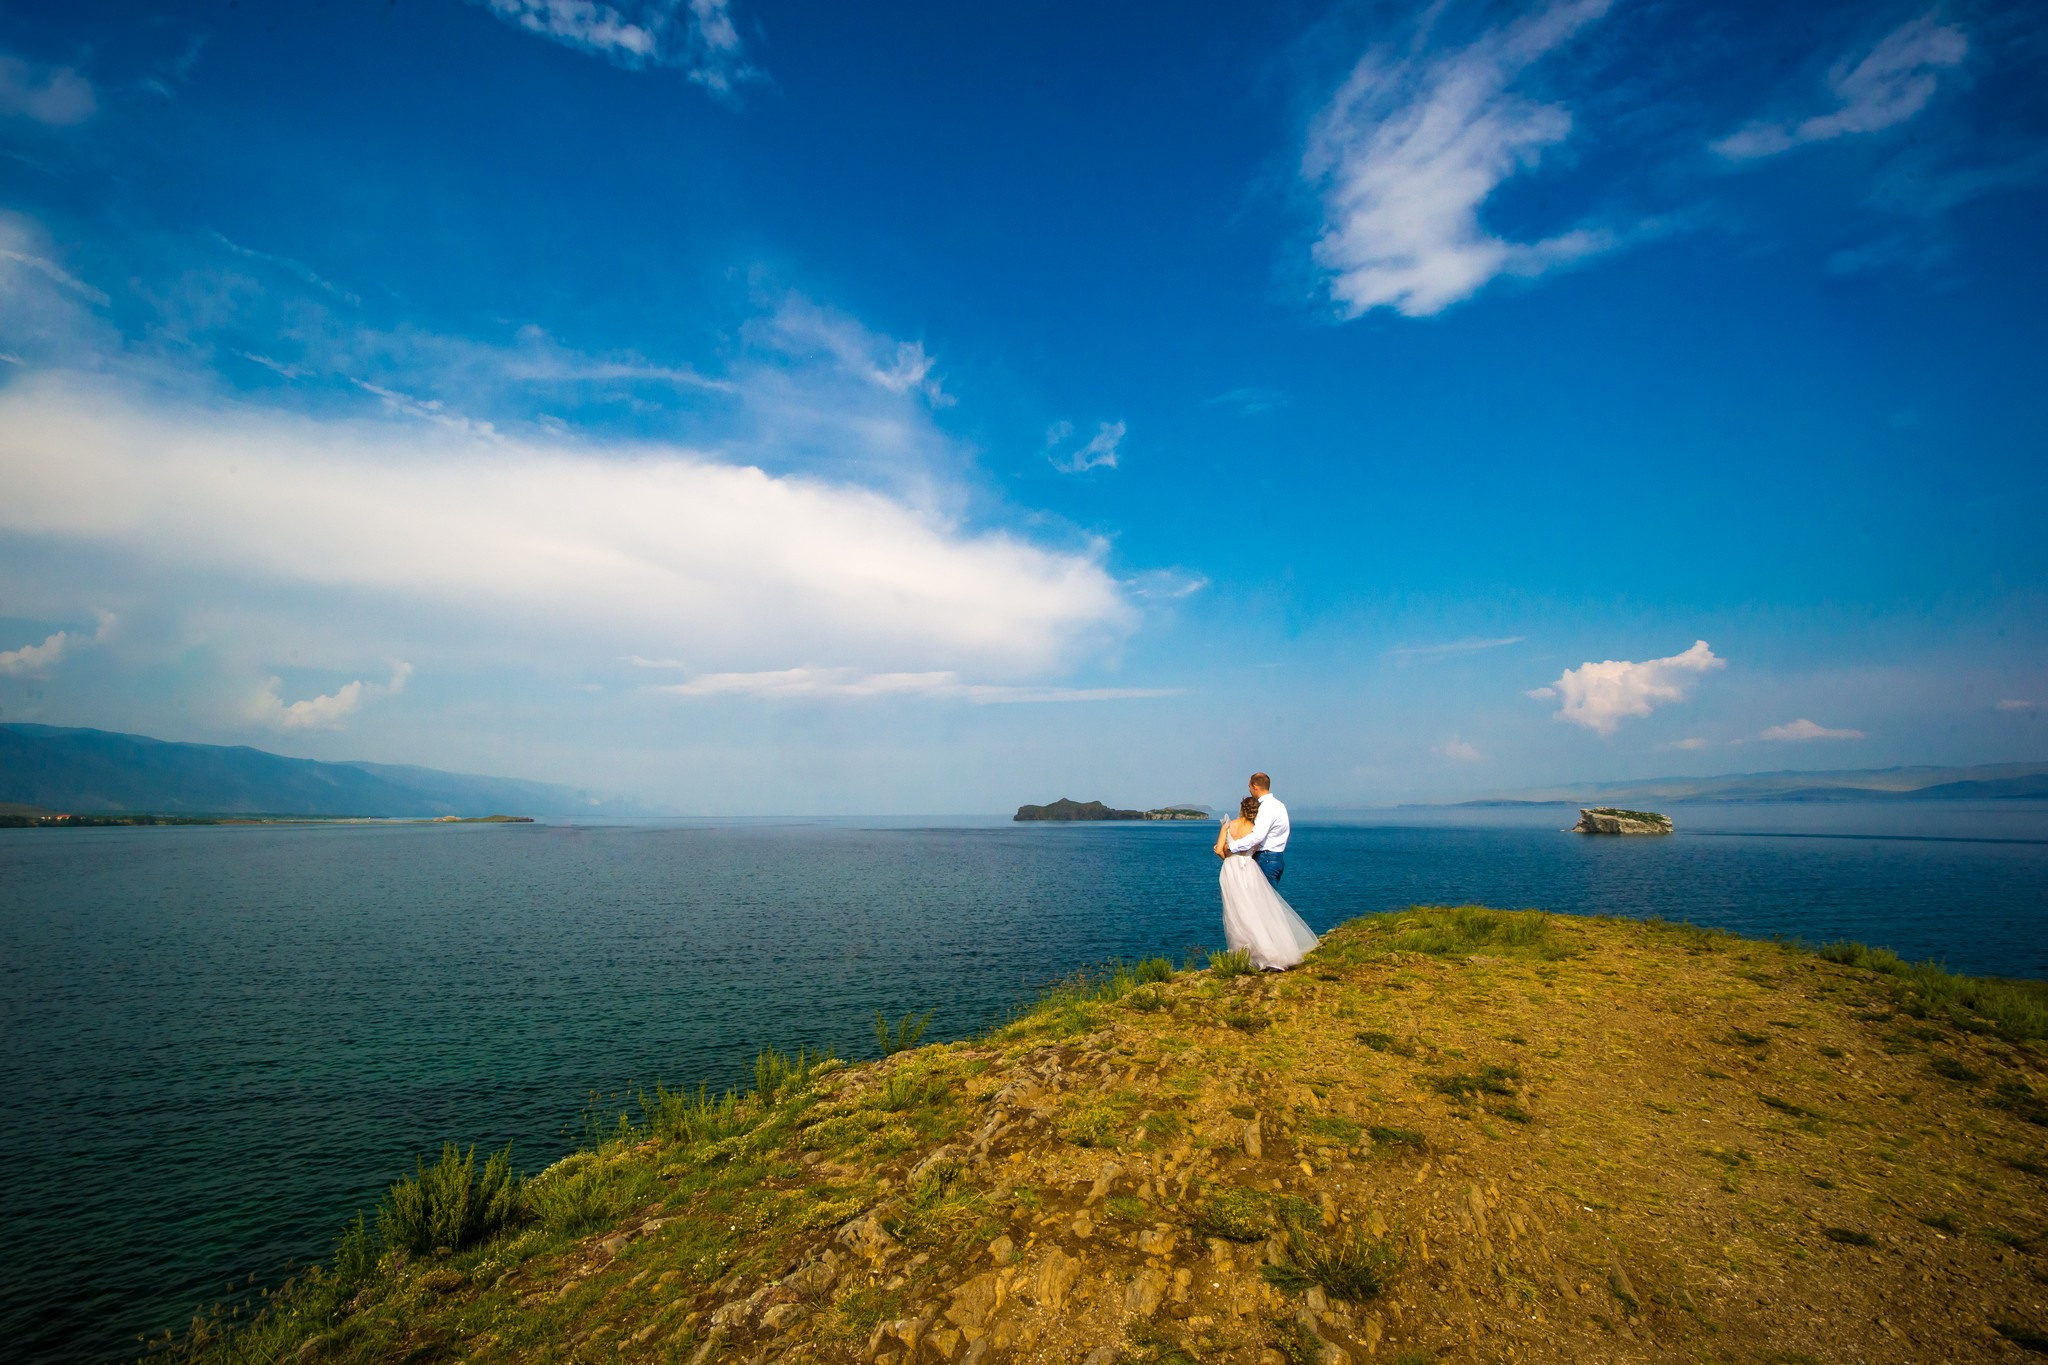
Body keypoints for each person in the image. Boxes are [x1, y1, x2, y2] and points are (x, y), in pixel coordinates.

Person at [1213, 793, 1318, 971]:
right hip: (1250, 867)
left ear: (1241, 809)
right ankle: (1267, 950)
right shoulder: (1255, 829)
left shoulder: (1228, 825)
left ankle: (1244, 955)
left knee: (1236, 911)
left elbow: (1219, 850)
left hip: (1231, 869)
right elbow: (1254, 849)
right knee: (1256, 908)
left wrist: (1228, 859)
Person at [1225, 772, 1289, 884]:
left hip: (1266, 859)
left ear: (1255, 787)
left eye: (1249, 787)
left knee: (1263, 895)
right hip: (1278, 858)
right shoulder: (1280, 805)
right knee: (1270, 894)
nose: (1249, 790)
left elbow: (1258, 836)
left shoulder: (1266, 807)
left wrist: (1232, 846)